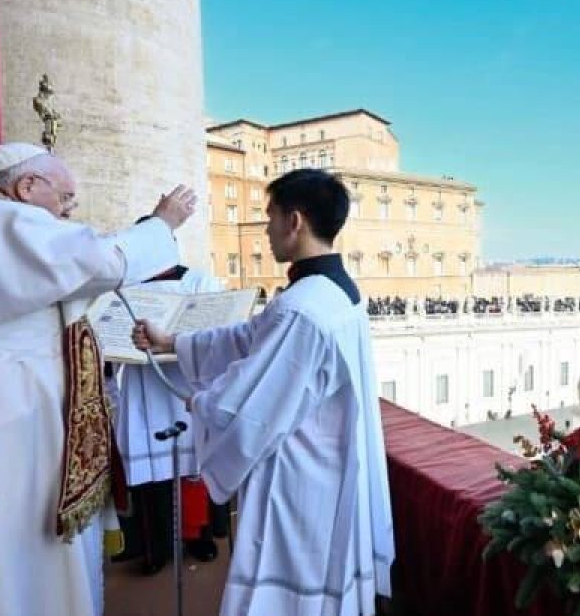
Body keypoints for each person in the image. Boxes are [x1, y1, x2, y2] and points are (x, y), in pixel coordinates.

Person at [0, 145, 196, 616]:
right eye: (65, 197)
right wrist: (161, 223)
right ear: (26, 187)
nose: (69, 211)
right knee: (14, 546)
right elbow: (103, 261)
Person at [133, 169, 393, 615]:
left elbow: (252, 406)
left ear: (295, 221)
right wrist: (173, 341)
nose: (266, 229)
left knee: (290, 591)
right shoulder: (331, 289)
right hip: (327, 459)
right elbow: (250, 337)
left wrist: (201, 402)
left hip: (301, 473)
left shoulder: (303, 307)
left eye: (269, 217)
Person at [110, 232, 226, 574]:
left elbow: (218, 329)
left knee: (194, 471)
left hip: (186, 382)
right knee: (153, 478)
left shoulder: (201, 280)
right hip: (145, 386)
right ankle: (154, 547)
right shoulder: (125, 287)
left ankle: (198, 537)